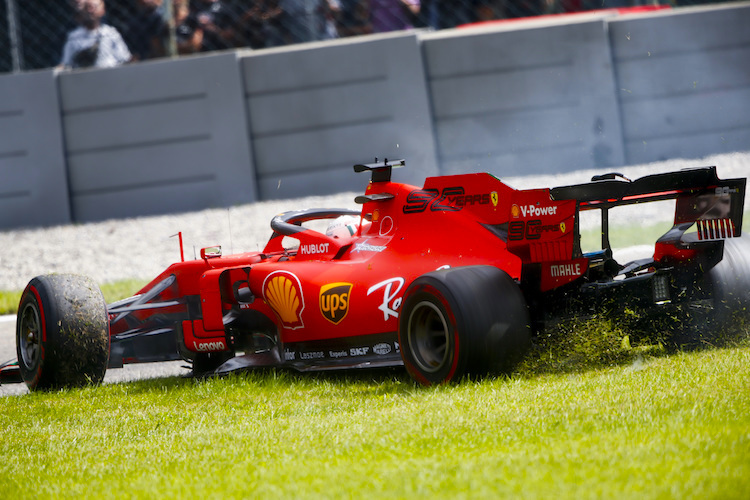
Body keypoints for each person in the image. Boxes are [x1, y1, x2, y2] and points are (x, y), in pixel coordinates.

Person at [59, 0, 132, 69]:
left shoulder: (111, 33)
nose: (90, 11)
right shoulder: (74, 37)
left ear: (103, 11)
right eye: (87, 7)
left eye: (94, 7)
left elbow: (124, 59)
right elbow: (66, 63)